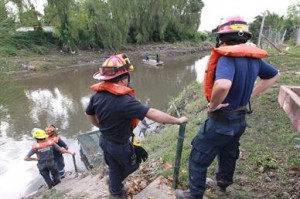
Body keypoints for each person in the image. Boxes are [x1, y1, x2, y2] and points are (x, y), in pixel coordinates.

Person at [175, 15, 279, 199]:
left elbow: (223, 85)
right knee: (229, 152)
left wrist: (213, 105)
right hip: (239, 120)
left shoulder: (227, 58)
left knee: (198, 158)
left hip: (222, 120)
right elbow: (273, 75)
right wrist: (251, 94)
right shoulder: (253, 59)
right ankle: (222, 184)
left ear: (221, 38)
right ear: (245, 37)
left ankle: (194, 195)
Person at [85, 53, 188, 199]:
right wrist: (177, 120)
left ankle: (115, 188)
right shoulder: (125, 102)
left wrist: (100, 126)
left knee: (114, 166)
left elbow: (89, 114)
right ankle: (116, 186)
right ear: (124, 79)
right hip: (119, 145)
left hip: (104, 140)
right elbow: (151, 113)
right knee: (132, 165)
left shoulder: (96, 96)